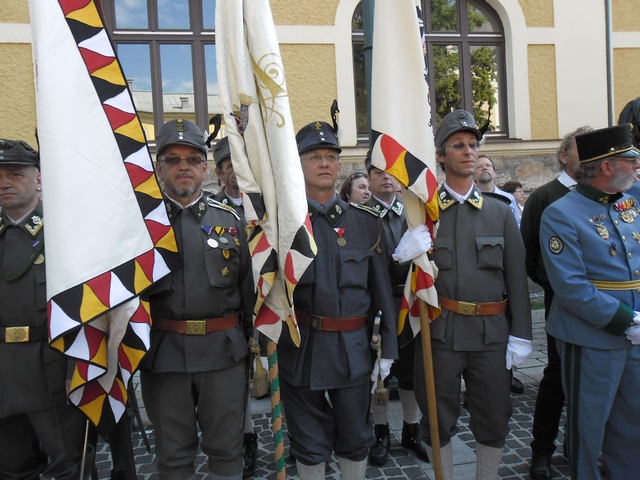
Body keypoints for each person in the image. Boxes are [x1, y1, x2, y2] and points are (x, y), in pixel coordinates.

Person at [409, 110, 532, 480]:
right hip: (440, 330)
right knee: (436, 416)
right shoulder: (423, 214)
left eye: (473, 145)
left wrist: (521, 333)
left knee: (494, 415)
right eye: (457, 145)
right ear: (441, 156)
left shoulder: (500, 213)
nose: (468, 151)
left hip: (492, 334)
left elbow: (517, 279)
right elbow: (405, 280)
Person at [277, 120, 398, 480]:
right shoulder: (283, 224)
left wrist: (388, 346)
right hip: (301, 348)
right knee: (308, 439)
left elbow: (382, 292)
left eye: (331, 156)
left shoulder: (365, 223)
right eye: (315, 156)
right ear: (297, 165)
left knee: (356, 437)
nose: (324, 163)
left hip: (353, 350)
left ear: (340, 166)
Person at [140, 119, 255, 480]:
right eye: (172, 160)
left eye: (192, 159)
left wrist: (256, 344)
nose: (183, 167)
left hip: (223, 355)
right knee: (173, 458)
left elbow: (247, 291)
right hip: (164, 356)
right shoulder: (142, 226)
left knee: (226, 451)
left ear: (205, 168)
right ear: (159, 168)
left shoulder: (232, 222)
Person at [540, 124, 640, 480]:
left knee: (632, 425)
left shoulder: (633, 200)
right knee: (588, 426)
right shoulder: (561, 213)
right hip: (592, 336)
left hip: (637, 336)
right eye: (630, 160)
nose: (637, 166)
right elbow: (570, 287)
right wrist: (627, 320)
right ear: (607, 167)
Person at [0, 138, 94, 479]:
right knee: (11, 467)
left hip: (51, 369)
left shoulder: (65, 234)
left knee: (67, 465)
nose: (4, 183)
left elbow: (88, 309)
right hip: (3, 374)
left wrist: (79, 369)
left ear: (39, 179)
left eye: (15, 174)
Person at [520, 125, 592, 480]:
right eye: (583, 148)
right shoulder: (545, 196)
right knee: (558, 375)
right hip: (560, 300)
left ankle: (582, 445)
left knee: (593, 377)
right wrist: (554, 284)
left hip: (602, 300)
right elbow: (528, 253)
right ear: (564, 155)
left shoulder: (599, 195)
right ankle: (542, 451)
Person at [365, 164, 429, 465]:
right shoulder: (360, 214)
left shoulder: (412, 212)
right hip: (376, 304)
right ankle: (380, 431)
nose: (386, 177)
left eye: (390, 172)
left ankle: (411, 428)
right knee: (379, 372)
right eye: (378, 173)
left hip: (409, 301)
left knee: (410, 371)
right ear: (368, 179)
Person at [211, 136, 257, 478]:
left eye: (240, 167)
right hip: (230, 312)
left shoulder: (264, 206)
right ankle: (247, 435)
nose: (236, 175)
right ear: (219, 173)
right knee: (237, 378)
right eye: (230, 168)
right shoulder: (210, 211)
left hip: (266, 304)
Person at [474, 154, 520, 226]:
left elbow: (516, 225)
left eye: (488, 165)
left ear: (494, 173)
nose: (484, 168)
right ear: (472, 175)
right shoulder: (470, 199)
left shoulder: (509, 198)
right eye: (479, 167)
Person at [213, 136, 244, 218]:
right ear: (219, 173)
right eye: (231, 166)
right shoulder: (212, 207)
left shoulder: (260, 205)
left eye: (241, 164)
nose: (237, 170)